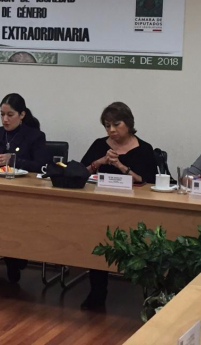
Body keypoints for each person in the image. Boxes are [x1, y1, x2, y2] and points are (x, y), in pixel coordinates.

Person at [80, 101, 157, 311]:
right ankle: (97, 291)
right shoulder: (99, 145)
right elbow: (80, 172)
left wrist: (120, 165)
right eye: (107, 126)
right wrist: (100, 162)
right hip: (100, 205)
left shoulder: (144, 149)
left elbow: (147, 181)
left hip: (133, 208)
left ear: (128, 123)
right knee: (97, 239)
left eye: (116, 124)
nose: (112, 130)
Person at [0, 93, 49, 283]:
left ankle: (14, 258)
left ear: (22, 115)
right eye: (2, 114)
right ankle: (11, 258)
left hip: (23, 190)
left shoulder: (35, 136)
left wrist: (13, 160)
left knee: (11, 220)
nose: (5, 119)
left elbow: (41, 165)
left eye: (10, 115)